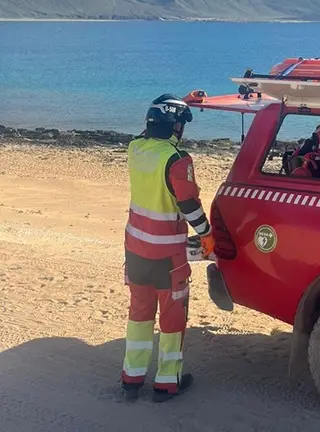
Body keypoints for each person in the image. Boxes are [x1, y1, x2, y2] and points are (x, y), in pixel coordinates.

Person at [120, 94, 215, 402]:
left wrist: (172, 103)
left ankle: (131, 379)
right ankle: (166, 383)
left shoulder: (135, 149)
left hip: (135, 250)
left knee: (140, 313)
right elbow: (188, 204)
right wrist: (207, 233)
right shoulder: (177, 160)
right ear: (176, 127)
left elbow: (145, 134)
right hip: (167, 257)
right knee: (172, 317)